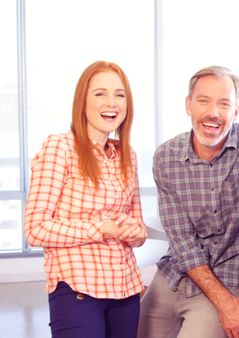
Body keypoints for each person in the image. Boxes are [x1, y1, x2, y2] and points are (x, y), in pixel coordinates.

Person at [138, 65, 239, 338]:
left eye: (224, 103)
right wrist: (226, 305)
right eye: (203, 101)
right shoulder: (166, 157)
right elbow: (182, 241)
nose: (213, 112)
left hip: (232, 273)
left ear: (236, 111)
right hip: (175, 274)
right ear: (188, 105)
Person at [24, 60, 147, 338]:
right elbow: (35, 228)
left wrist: (132, 230)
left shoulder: (127, 155)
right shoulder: (60, 147)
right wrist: (101, 228)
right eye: (100, 93)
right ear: (83, 101)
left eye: (120, 94)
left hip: (125, 288)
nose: (111, 103)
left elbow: (138, 232)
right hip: (77, 287)